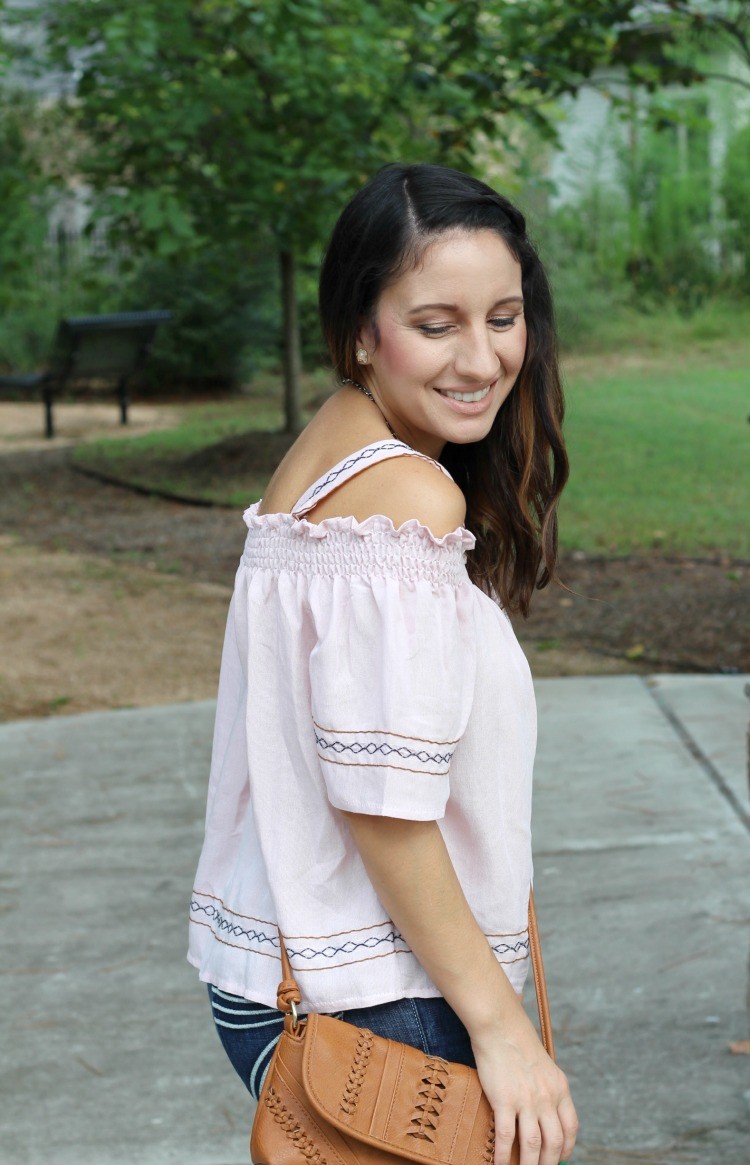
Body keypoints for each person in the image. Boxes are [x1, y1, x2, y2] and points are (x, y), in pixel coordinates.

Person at [188, 162, 578, 1165]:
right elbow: (384, 809)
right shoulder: (407, 499)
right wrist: (503, 1030)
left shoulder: (333, 443)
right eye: (436, 322)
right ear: (362, 328)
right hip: (377, 987)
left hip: (290, 965)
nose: (483, 358)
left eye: (503, 316)